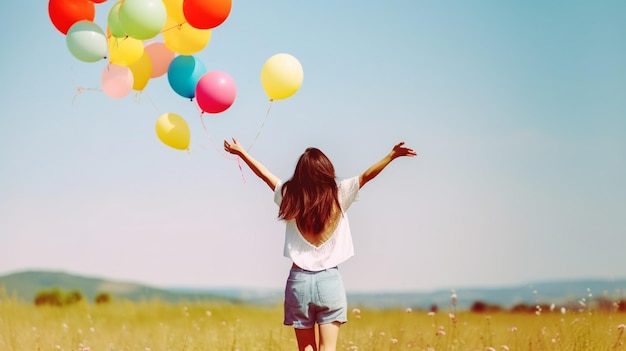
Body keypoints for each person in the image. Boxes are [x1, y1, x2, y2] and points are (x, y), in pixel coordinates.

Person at [223, 138, 417, 351]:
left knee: (306, 348)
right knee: (328, 348)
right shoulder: (339, 195)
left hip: (298, 282)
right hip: (329, 281)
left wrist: (241, 153)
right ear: (326, 170)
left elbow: (264, 174)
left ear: (300, 174)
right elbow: (366, 176)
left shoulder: (290, 197)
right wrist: (392, 155)